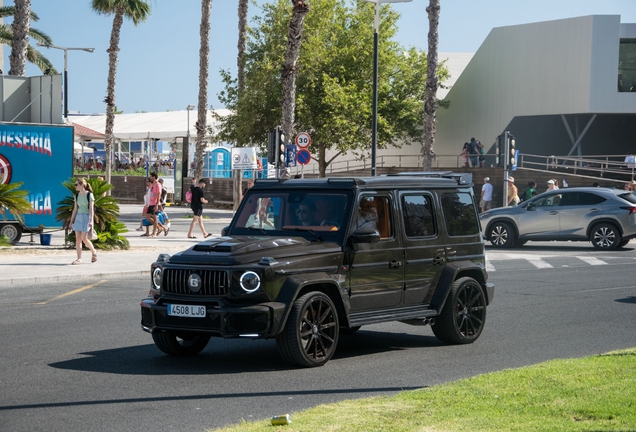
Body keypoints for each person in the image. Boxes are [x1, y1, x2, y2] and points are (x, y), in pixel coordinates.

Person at [69, 178, 98, 265]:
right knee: (78, 239)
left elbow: (91, 209)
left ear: (82, 185)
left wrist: (91, 220)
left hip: (86, 217)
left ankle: (94, 252)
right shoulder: (77, 196)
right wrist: (71, 221)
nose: (75, 186)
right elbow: (75, 209)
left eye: (76, 184)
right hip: (78, 217)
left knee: (84, 239)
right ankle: (79, 258)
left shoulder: (89, 195)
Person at [145, 172, 167, 237]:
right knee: (147, 216)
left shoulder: (158, 185)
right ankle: (160, 228)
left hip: (155, 203)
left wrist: (157, 204)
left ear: (154, 177)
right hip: (150, 203)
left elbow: (159, 194)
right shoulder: (153, 184)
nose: (150, 178)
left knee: (155, 217)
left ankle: (154, 233)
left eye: (151, 176)